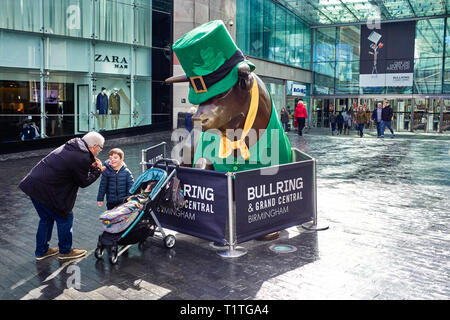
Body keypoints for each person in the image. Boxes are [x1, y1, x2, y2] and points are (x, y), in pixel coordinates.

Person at [18, 132, 106, 260]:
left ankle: (42, 251)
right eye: (101, 148)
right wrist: (98, 170)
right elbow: (83, 182)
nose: (100, 151)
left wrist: (90, 166)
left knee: (46, 219)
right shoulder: (82, 156)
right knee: (65, 217)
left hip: (33, 186)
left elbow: (73, 168)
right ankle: (65, 251)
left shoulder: (74, 145)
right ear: (94, 146)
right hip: (47, 190)